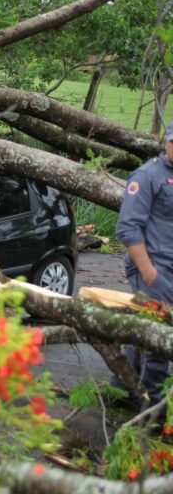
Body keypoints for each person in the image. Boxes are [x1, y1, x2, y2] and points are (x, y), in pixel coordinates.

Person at [114, 119, 173, 411]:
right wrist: (149, 273)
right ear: (166, 143)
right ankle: (154, 412)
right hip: (153, 270)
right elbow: (127, 228)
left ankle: (121, 389)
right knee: (158, 341)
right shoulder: (147, 176)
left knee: (139, 332)